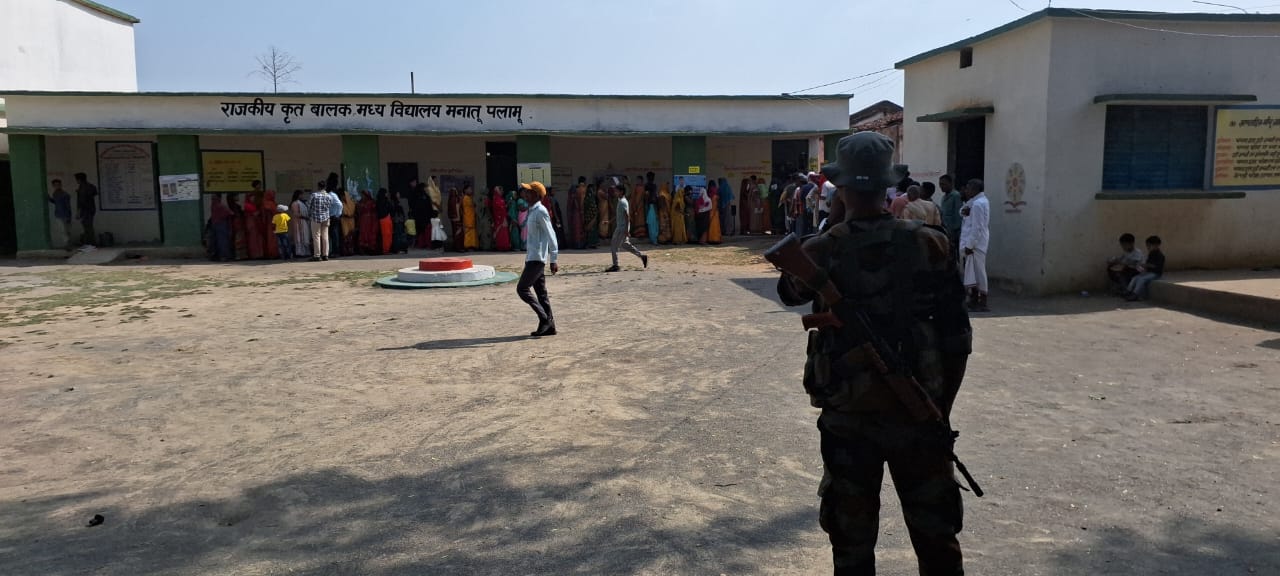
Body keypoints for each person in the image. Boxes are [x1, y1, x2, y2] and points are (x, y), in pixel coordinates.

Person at [776, 131, 973, 576]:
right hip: (920, 415)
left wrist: (835, 223)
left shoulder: (822, 248)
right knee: (937, 543)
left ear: (839, 187)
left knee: (852, 545)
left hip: (848, 418)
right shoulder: (932, 243)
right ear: (889, 186)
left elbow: (789, 291)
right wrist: (938, 409)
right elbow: (958, 339)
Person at [517, 182, 559, 337]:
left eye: (528, 192)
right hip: (532, 257)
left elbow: (551, 234)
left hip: (537, 259)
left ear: (536, 195)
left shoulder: (541, 211)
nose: (525, 194)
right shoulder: (532, 211)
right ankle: (551, 326)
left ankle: (544, 318)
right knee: (541, 294)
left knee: (522, 289)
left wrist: (554, 258)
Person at [960, 179, 991, 312]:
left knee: (978, 273)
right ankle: (973, 299)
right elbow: (962, 211)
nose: (966, 191)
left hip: (976, 244)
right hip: (973, 242)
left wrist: (970, 245)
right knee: (971, 272)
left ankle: (982, 301)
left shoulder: (978, 204)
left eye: (968, 188)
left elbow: (977, 228)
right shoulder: (975, 202)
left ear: (974, 189)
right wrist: (965, 211)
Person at [606, 182, 649, 272]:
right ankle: (642, 256)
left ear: (621, 192)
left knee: (614, 246)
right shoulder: (621, 201)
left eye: (616, 191)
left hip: (621, 228)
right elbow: (619, 214)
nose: (615, 193)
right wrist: (610, 222)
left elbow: (627, 216)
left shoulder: (623, 202)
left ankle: (615, 265)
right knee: (625, 245)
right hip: (622, 227)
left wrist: (626, 230)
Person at [1125, 236, 1165, 301]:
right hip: (1149, 272)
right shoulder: (1151, 254)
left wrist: (1144, 265)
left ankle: (1135, 294)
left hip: (1156, 274)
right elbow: (1148, 264)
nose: (1148, 247)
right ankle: (1128, 291)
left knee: (1141, 279)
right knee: (1135, 278)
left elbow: (1155, 266)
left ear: (1156, 245)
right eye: (1147, 246)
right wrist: (1143, 269)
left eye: (1149, 246)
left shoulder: (1160, 255)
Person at [307, 181, 333, 262]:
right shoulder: (329, 196)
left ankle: (317, 255)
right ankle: (325, 255)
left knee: (316, 236)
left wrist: (310, 213)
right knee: (325, 236)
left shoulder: (314, 195)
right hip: (326, 217)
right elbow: (330, 206)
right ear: (325, 187)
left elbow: (308, 205)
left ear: (318, 187)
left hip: (315, 217)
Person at [939, 175, 964, 253]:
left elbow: (958, 216)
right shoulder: (943, 197)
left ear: (950, 183)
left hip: (953, 233)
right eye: (940, 184)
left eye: (943, 184)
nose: (941, 186)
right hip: (945, 230)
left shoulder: (956, 196)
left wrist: (954, 233)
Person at [73, 173, 99, 247]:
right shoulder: (91, 186)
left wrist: (78, 211)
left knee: (87, 227)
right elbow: (94, 193)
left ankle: (90, 243)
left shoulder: (82, 188)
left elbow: (82, 201)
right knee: (89, 226)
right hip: (91, 208)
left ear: (79, 179)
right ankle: (91, 243)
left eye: (77, 179)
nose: (76, 181)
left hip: (85, 210)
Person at [48, 179, 73, 250]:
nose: (57, 186)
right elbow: (56, 202)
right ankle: (67, 244)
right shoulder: (55, 194)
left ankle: (68, 245)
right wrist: (49, 198)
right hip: (58, 214)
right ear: (53, 186)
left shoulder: (65, 194)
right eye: (55, 185)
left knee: (66, 231)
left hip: (65, 215)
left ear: (61, 185)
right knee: (63, 230)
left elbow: (68, 206)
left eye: (58, 185)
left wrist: (69, 216)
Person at [208, 193, 234, 261]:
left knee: (215, 241)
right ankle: (224, 256)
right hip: (221, 224)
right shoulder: (221, 206)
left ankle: (215, 255)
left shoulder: (213, 205)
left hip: (214, 224)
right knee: (222, 241)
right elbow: (230, 213)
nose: (212, 199)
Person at [289, 190, 311, 258]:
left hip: (304, 222)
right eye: (301, 195)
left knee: (305, 237)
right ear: (298, 195)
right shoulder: (295, 203)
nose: (302, 196)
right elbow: (296, 214)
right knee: (299, 237)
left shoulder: (302, 203)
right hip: (298, 222)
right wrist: (305, 217)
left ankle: (305, 252)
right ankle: (300, 253)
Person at [490, 187, 512, 251]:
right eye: (501, 190)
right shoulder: (495, 199)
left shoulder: (501, 199)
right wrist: (505, 206)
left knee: (504, 231)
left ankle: (505, 246)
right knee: (500, 231)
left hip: (503, 217)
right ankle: (500, 246)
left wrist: (506, 205)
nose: (502, 192)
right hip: (499, 218)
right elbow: (497, 208)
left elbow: (503, 207)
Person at [356, 190, 378, 254]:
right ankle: (363, 248)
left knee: (369, 233)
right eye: (362, 195)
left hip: (370, 221)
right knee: (363, 233)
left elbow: (374, 212)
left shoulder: (372, 202)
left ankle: (370, 248)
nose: (362, 196)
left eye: (363, 195)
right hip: (363, 221)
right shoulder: (360, 202)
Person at [228, 193, 248, 260]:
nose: (238, 197)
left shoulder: (231, 206)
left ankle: (238, 255)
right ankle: (239, 256)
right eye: (236, 195)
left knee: (237, 239)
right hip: (237, 224)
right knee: (239, 239)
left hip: (235, 224)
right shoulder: (235, 206)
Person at [326, 184, 343, 258]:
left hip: (333, 217)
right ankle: (334, 250)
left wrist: (337, 214)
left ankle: (335, 251)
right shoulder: (332, 195)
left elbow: (339, 204)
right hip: (333, 216)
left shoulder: (331, 195)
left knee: (334, 234)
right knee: (333, 234)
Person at [338, 189, 357, 256]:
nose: (342, 197)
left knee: (351, 236)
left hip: (351, 221)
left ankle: (351, 251)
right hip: (344, 222)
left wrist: (350, 215)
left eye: (343, 196)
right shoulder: (341, 203)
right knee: (345, 237)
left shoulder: (352, 203)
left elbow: (356, 212)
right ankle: (346, 251)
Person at [376, 188, 394, 255]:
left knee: (389, 235)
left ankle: (387, 249)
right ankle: (385, 250)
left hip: (387, 218)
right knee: (386, 235)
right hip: (384, 219)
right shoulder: (381, 201)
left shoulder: (384, 201)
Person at [475, 184, 493, 251]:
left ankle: (481, 246)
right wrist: (491, 217)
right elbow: (486, 208)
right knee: (486, 232)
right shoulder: (485, 198)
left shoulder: (478, 198)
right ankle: (486, 247)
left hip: (479, 217)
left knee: (480, 232)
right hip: (485, 217)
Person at [568, 177, 585, 249]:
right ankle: (578, 245)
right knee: (578, 229)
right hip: (577, 214)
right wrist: (581, 211)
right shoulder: (575, 195)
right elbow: (578, 204)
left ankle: (577, 244)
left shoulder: (573, 195)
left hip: (574, 214)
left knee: (577, 229)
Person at [583, 181, 599, 249]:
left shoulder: (588, 197)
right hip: (590, 216)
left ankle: (592, 243)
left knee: (592, 230)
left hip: (590, 216)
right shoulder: (589, 197)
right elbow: (592, 206)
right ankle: (590, 243)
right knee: (590, 230)